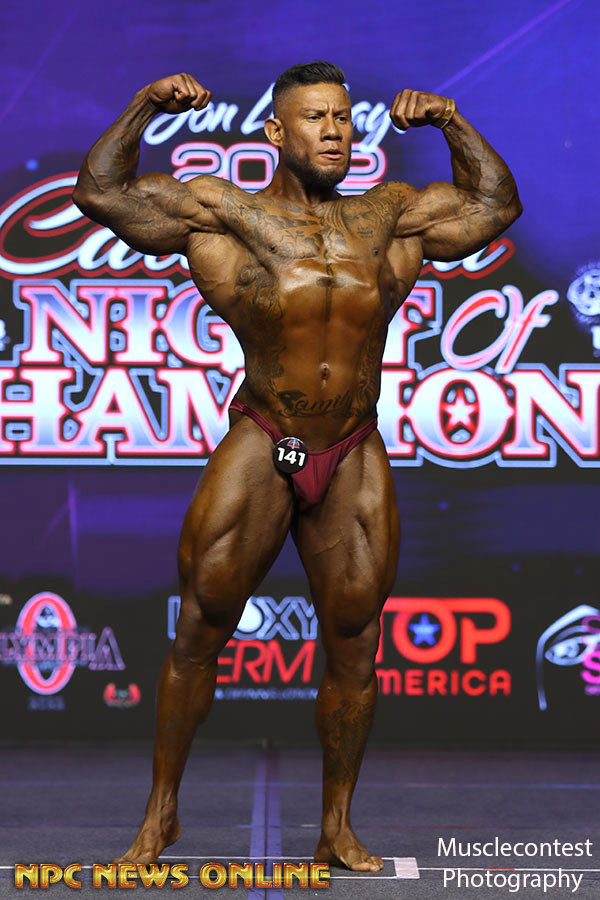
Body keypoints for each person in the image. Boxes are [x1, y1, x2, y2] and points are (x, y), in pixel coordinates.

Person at [72, 61, 522, 871]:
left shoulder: (389, 217)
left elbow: (496, 204)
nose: (334, 131)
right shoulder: (224, 212)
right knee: (201, 627)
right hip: (264, 435)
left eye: (343, 117)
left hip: (352, 448)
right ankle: (160, 816)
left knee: (354, 640)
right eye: (316, 117)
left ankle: (336, 828)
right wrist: (142, 104)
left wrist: (451, 121)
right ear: (277, 131)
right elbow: (103, 193)